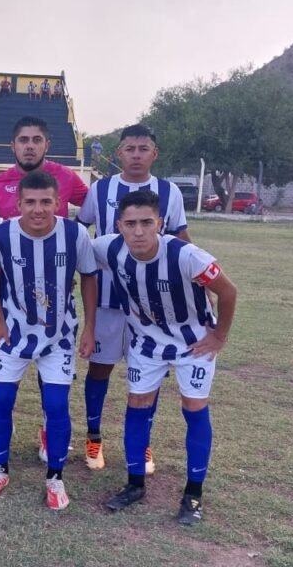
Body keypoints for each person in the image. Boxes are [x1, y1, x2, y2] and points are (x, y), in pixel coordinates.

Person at [96, 190, 237, 524]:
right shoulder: (108, 248)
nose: (139, 231)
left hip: (194, 344)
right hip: (146, 343)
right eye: (131, 223)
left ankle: (193, 494)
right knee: (137, 404)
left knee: (194, 408)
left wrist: (219, 336)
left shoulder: (187, 256)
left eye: (147, 222)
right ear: (119, 225)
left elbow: (228, 291)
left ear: (160, 223)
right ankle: (134, 484)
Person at [0, 171, 98, 510]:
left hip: (58, 336)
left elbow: (89, 277)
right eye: (30, 202)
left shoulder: (74, 234)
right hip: (13, 334)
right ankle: (0, 470)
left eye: (46, 202)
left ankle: (55, 477)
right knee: (1, 401)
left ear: (58, 203)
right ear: (18, 204)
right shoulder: (1, 234)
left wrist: (90, 327)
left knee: (56, 406)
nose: (38, 209)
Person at [76, 124, 190, 473]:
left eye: (143, 149)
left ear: (155, 153)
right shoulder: (100, 189)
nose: (136, 155)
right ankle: (94, 437)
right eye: (130, 149)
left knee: (150, 373)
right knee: (100, 367)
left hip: (153, 304)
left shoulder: (169, 192)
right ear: (119, 153)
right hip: (107, 299)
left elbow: (181, 241)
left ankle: (142, 443)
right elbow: (81, 232)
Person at [0, 116, 88, 220]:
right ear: (13, 146)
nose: (30, 146)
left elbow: (94, 206)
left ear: (47, 146)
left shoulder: (66, 176)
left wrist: (77, 226)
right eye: (23, 140)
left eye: (37, 140)